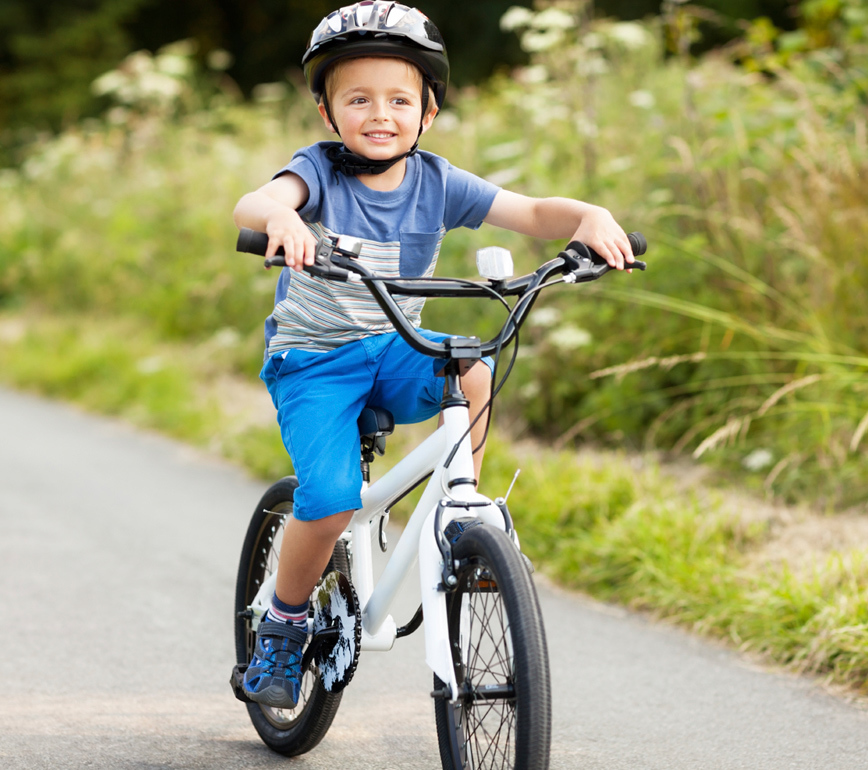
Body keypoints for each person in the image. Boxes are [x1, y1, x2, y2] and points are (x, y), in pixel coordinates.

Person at [232, 0, 634, 709]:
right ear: (328, 114)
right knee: (328, 502)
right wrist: (284, 220)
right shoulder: (318, 174)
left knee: (473, 368)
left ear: (428, 113)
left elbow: (535, 213)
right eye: (357, 99)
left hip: (394, 348)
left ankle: (465, 513)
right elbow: (254, 203)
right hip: (316, 362)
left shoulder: (438, 182)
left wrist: (587, 218)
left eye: (399, 99)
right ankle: (283, 624)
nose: (379, 114)